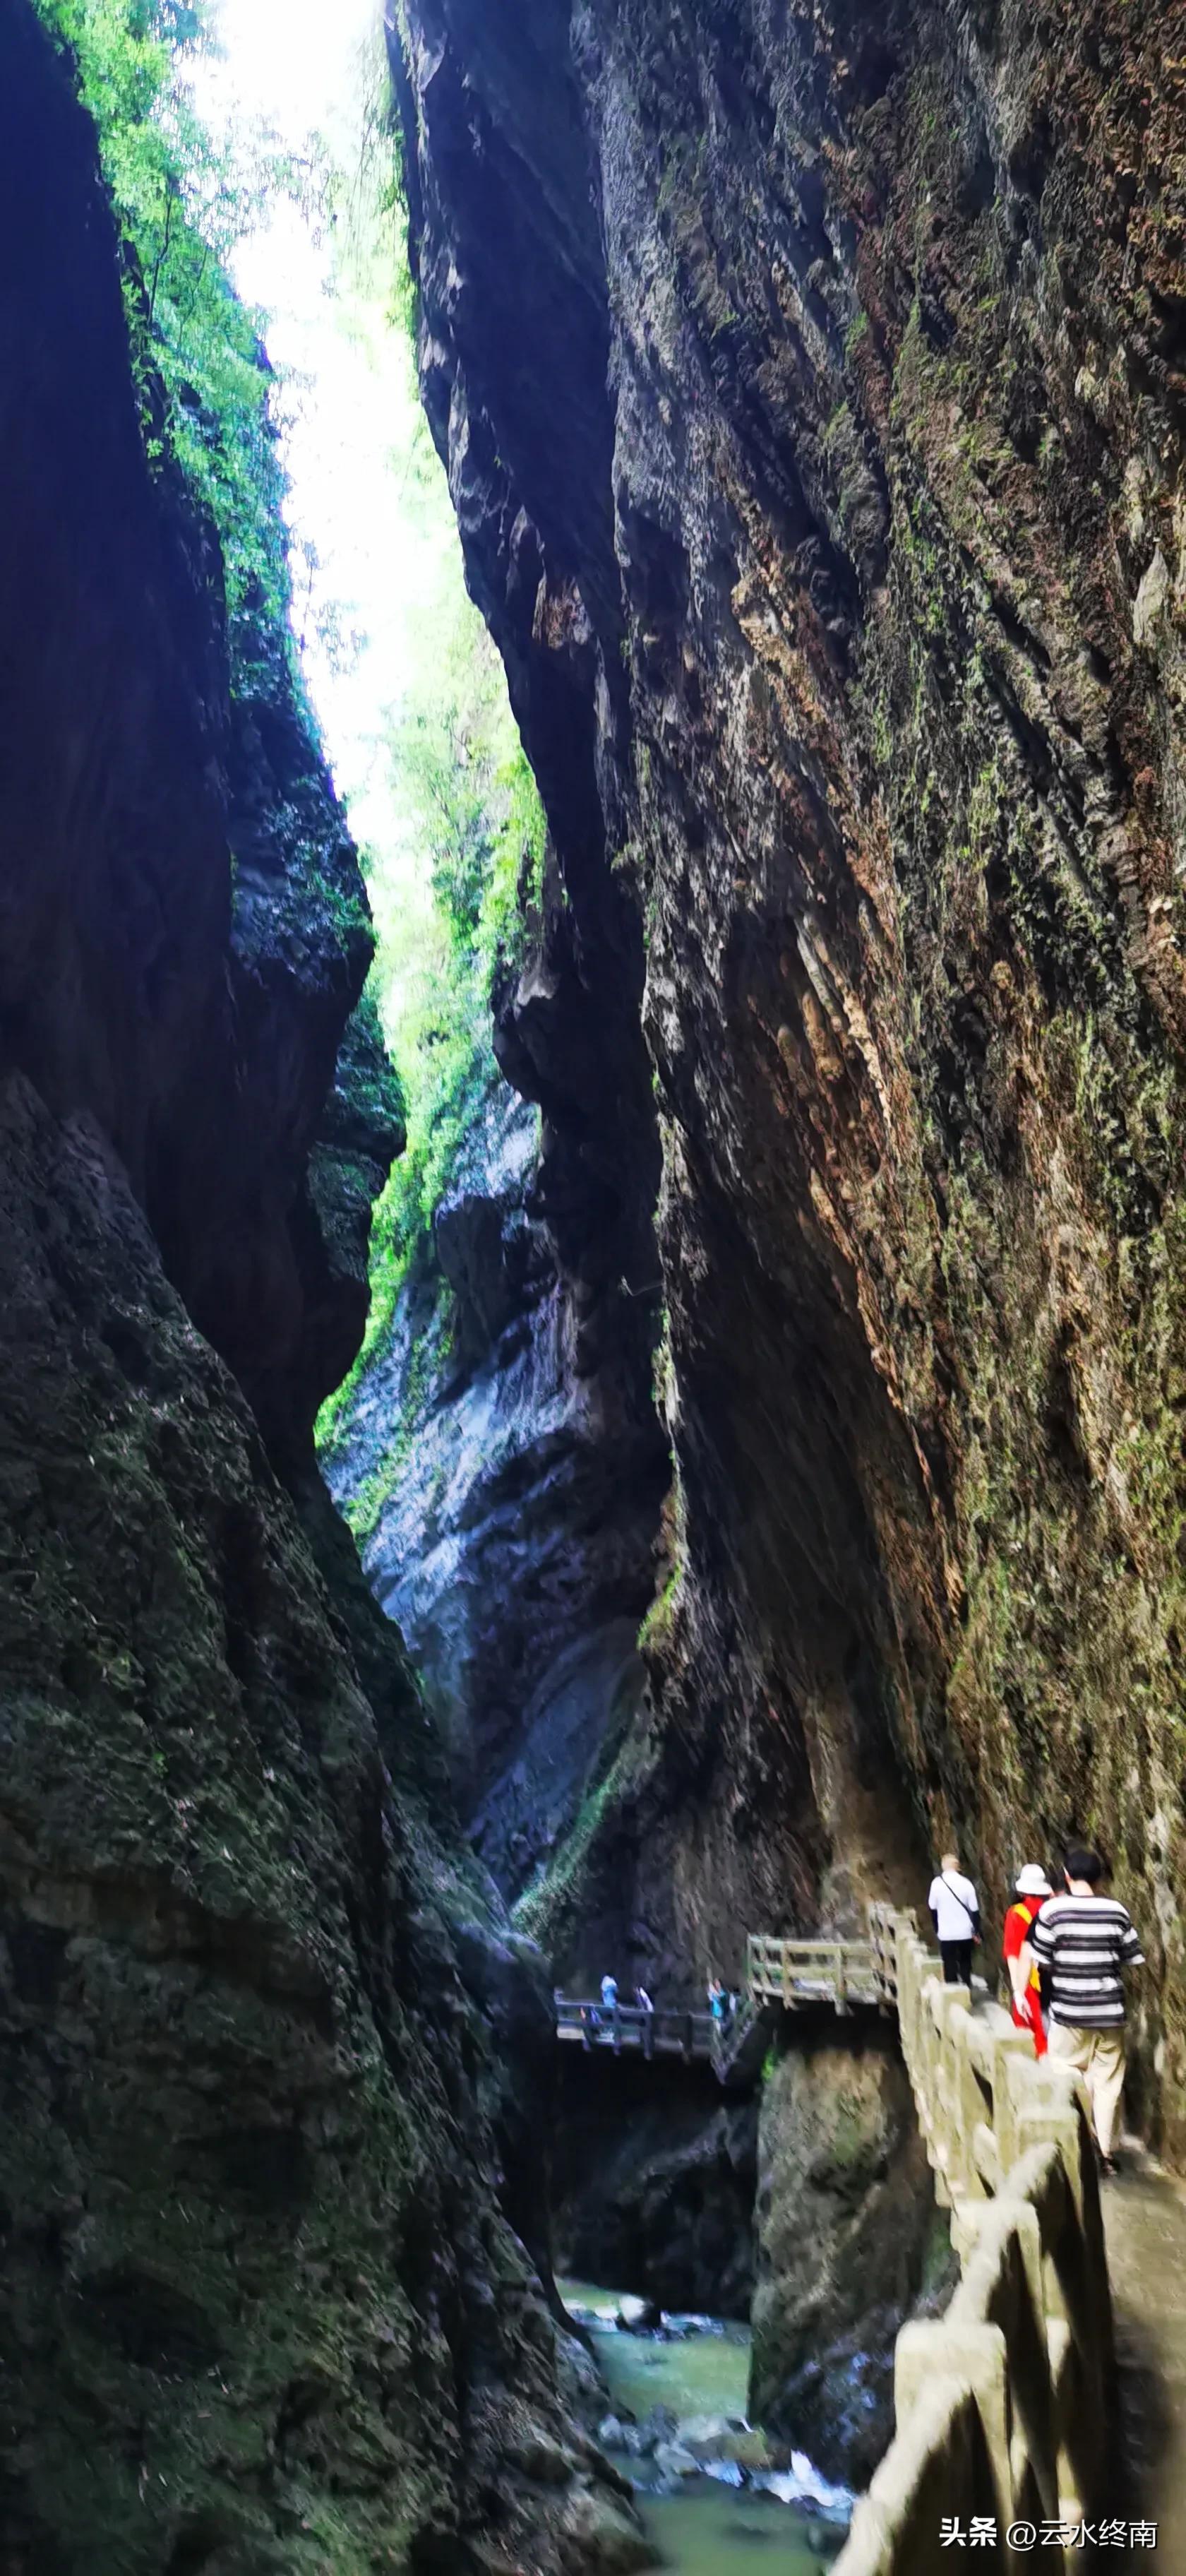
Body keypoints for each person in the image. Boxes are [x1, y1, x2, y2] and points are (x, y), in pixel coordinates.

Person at [1024, 1847, 1144, 2175]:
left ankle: (1080, 2140)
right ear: (1100, 1878)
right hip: (1111, 2013)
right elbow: (1132, 1959)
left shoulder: (1052, 1912)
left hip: (1069, 2011)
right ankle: (1105, 2154)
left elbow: (1042, 1962)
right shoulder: (1117, 1911)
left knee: (1065, 2070)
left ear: (1065, 1875)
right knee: (1107, 2082)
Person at [1002, 1864, 1053, 2056]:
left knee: (1030, 2034)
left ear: (1022, 1889)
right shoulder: (1051, 1908)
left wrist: (1017, 1992)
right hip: (1053, 1979)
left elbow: (1013, 1955)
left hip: (1030, 1982)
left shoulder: (1016, 1914)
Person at [927, 1850, 981, 1988]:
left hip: (946, 1932)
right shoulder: (966, 1883)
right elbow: (975, 1910)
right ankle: (966, 1986)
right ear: (957, 1867)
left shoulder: (936, 1884)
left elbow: (932, 1908)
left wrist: (937, 1928)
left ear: (943, 1866)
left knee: (949, 1962)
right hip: (965, 1932)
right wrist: (976, 1930)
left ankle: (952, 1990)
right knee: (965, 1961)